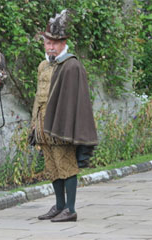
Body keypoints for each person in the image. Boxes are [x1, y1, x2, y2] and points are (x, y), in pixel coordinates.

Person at [30, 10, 98, 222]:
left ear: (63, 43)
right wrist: (34, 124)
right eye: (47, 43)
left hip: (61, 124)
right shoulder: (43, 65)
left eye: (55, 43)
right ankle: (59, 205)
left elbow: (74, 100)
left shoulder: (71, 65)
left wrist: (65, 124)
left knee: (66, 165)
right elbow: (38, 97)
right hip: (42, 124)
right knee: (52, 166)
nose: (50, 47)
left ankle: (70, 209)